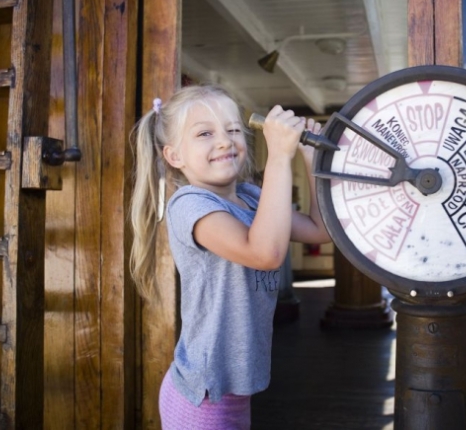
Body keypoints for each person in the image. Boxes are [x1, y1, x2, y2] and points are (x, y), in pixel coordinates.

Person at [129, 84, 331, 429]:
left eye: (233, 130)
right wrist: (280, 156)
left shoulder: (252, 196)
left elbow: (319, 230)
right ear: (174, 156)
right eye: (205, 133)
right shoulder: (190, 204)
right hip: (204, 396)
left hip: (235, 392)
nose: (224, 140)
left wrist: (309, 158)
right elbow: (264, 253)